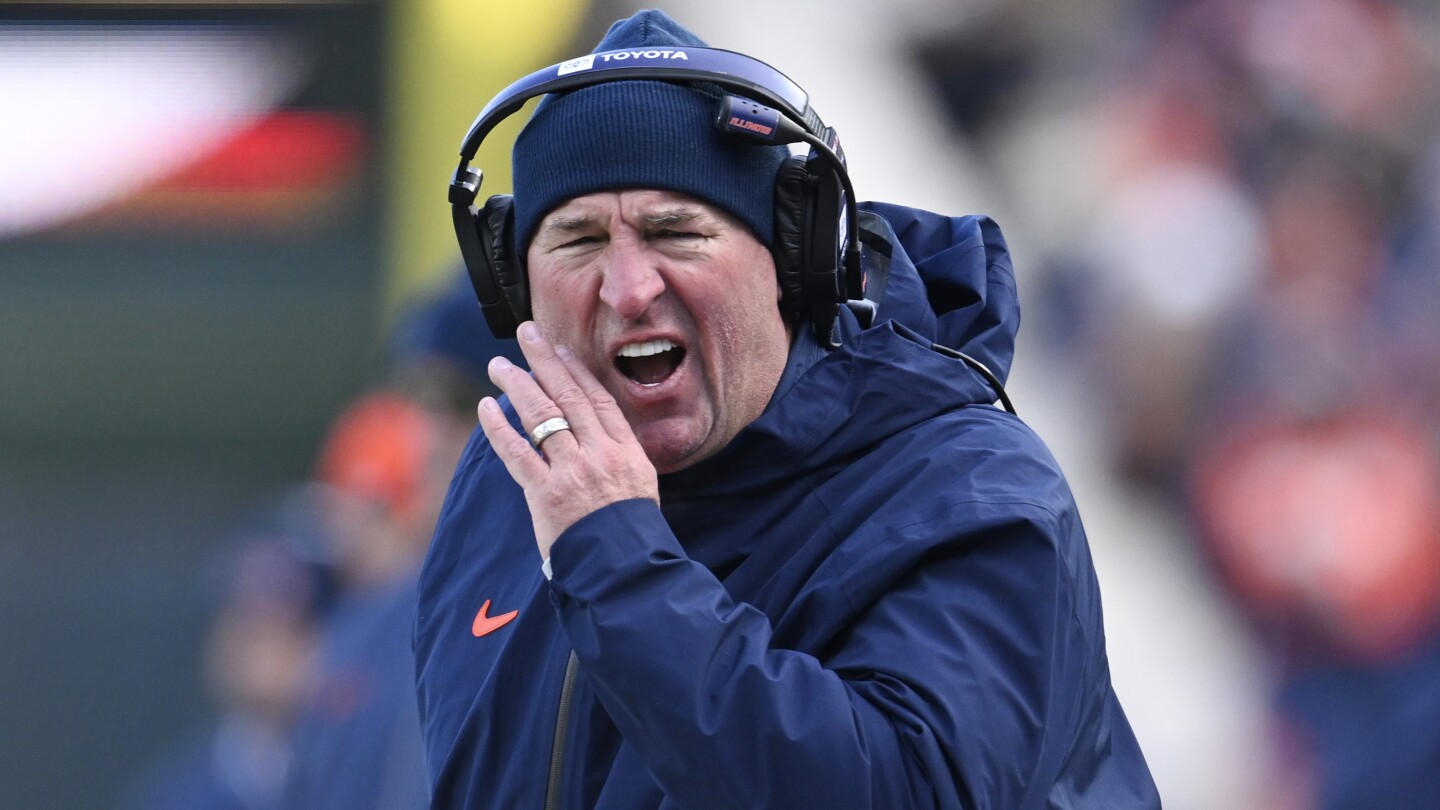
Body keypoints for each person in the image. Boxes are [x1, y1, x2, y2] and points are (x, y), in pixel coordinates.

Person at [414, 9, 1158, 808]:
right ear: (513, 284)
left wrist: (617, 563)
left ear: (792, 262)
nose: (628, 290)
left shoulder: (970, 493)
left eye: (675, 231)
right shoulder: (509, 472)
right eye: (578, 239)